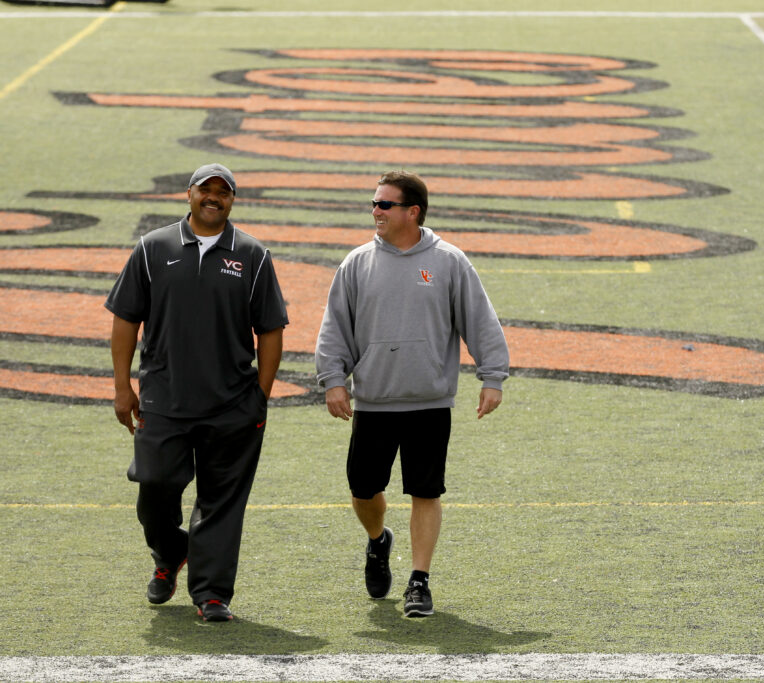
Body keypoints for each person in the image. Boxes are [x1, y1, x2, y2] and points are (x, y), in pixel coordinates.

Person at [315, 171, 509, 617]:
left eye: (385, 204)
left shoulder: (448, 261)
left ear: (412, 211)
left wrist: (493, 376)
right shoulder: (357, 263)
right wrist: (333, 380)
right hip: (374, 401)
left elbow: (480, 319)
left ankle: (419, 581)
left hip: (429, 401)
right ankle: (377, 540)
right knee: (364, 489)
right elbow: (334, 329)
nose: (376, 211)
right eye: (374, 203)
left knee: (426, 491)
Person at [105, 163, 288, 623]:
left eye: (222, 192)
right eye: (205, 190)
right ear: (188, 195)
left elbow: (270, 330)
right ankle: (170, 553)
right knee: (155, 484)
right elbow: (126, 318)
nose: (214, 197)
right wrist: (122, 386)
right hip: (163, 399)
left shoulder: (253, 255)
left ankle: (211, 593)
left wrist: (260, 395)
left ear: (232, 200)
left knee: (223, 500)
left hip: (232, 403)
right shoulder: (152, 248)